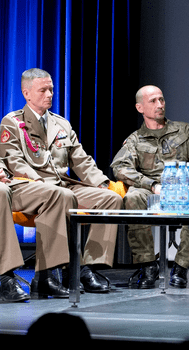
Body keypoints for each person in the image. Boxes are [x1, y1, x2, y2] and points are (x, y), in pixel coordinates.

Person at [0, 68, 123, 294]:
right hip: (28, 185)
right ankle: (49, 273)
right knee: (62, 195)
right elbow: (15, 162)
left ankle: (88, 268)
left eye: (51, 90)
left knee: (111, 200)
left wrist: (102, 183)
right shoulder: (12, 122)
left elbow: (81, 160)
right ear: (26, 94)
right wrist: (39, 180)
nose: (49, 94)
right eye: (43, 90)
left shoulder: (61, 124)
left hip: (61, 184)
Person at [111, 85, 189, 289]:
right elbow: (120, 168)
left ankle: (181, 267)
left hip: (183, 185)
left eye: (162, 100)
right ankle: (148, 266)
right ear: (140, 108)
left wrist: (188, 183)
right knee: (132, 197)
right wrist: (152, 185)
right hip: (152, 190)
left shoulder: (183, 130)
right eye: (153, 101)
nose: (160, 105)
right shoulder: (135, 139)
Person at [0, 159, 72, 301]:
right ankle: (4, 277)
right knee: (1, 192)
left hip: (7, 182)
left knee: (57, 194)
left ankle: (45, 276)